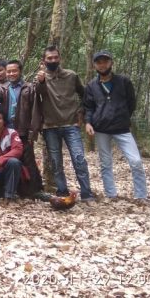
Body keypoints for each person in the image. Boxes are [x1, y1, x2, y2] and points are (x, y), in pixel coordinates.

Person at [32, 45, 94, 201]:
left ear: (60, 58)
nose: (52, 60)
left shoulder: (71, 76)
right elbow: (36, 95)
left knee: (79, 158)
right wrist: (40, 81)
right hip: (50, 126)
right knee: (56, 161)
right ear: (44, 61)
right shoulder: (40, 78)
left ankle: (87, 193)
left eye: (55, 57)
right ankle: (62, 191)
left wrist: (81, 112)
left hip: (71, 124)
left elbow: (84, 95)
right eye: (49, 58)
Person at [83, 50, 147, 200]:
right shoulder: (92, 85)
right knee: (105, 162)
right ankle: (111, 194)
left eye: (105, 61)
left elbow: (132, 103)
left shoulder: (124, 81)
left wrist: (122, 116)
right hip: (101, 129)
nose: (102, 65)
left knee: (136, 161)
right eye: (99, 62)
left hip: (122, 128)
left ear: (111, 62)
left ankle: (141, 196)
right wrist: (88, 122)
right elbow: (88, 106)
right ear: (94, 66)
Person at [0, 59, 43, 197]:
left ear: (20, 71)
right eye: (9, 71)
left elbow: (35, 110)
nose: (11, 73)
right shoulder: (6, 89)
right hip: (8, 131)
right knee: (12, 160)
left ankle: (34, 190)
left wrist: (33, 131)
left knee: (28, 160)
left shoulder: (28, 88)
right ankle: (16, 189)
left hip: (23, 130)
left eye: (14, 71)